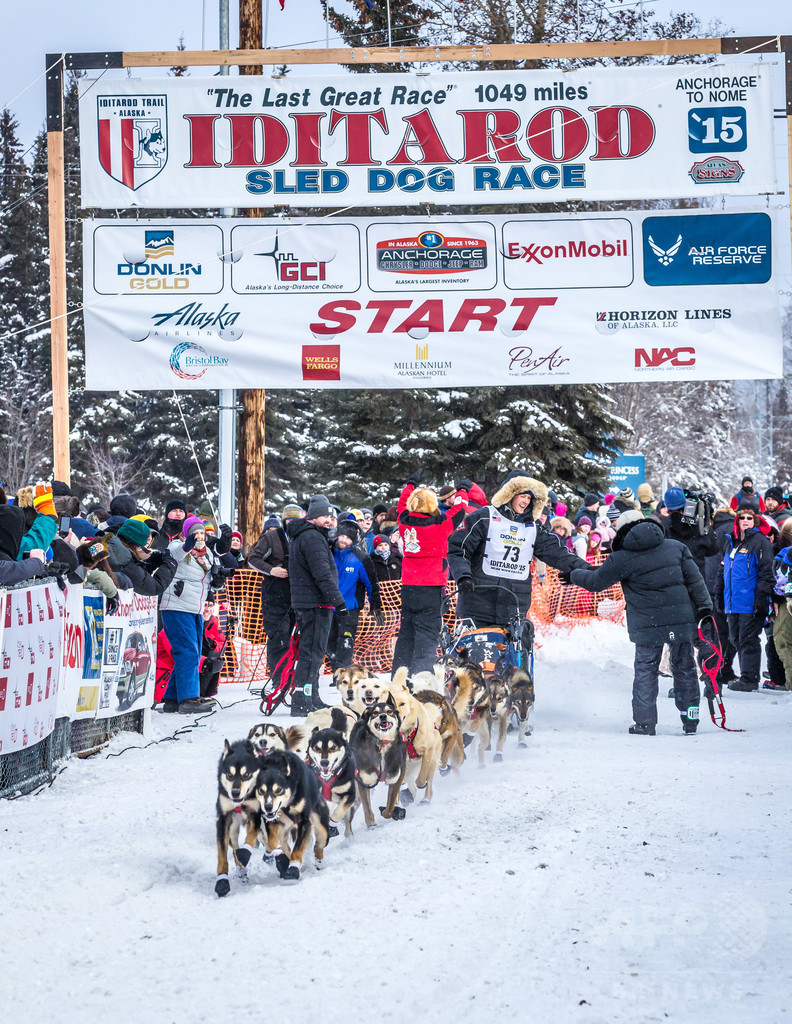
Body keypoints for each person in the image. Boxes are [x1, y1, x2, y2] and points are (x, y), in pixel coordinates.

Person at [567, 509, 711, 735]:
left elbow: (596, 581)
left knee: (646, 669)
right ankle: (690, 718)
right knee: (685, 667)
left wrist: (573, 575)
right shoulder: (676, 547)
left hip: (647, 622)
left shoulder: (622, 557)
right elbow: (696, 581)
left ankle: (645, 724)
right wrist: (704, 610)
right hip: (680, 619)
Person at [449, 471, 588, 634]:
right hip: (477, 603)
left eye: (530, 498)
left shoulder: (534, 527)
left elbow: (556, 552)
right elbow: (458, 548)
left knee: (516, 656)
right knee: (476, 658)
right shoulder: (484, 517)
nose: (526, 502)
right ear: (510, 494)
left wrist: (585, 568)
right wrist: (463, 576)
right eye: (523, 496)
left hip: (514, 606)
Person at [392, 470, 469, 676]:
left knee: (406, 634)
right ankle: (421, 679)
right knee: (426, 636)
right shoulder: (440, 525)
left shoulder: (404, 520)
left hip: (408, 586)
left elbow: (401, 504)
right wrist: (462, 490)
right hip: (431, 586)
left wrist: (410, 483)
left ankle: (399, 677)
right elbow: (460, 509)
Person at [285, 494, 347, 716]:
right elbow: (322, 574)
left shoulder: (310, 536)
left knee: (314, 654)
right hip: (315, 603)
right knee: (312, 654)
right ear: (313, 517)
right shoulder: (312, 538)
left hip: (312, 602)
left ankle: (311, 696)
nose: (329, 521)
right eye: (324, 516)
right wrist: (338, 601)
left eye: (330, 517)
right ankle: (301, 699)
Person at [159, 516, 222, 713]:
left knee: (191, 652)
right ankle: (189, 698)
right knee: (187, 651)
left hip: (194, 607)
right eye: (195, 532)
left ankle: (172, 698)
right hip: (176, 605)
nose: (200, 536)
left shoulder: (207, 553)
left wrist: (220, 577)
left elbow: (210, 580)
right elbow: (176, 553)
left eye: (202, 532)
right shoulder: (177, 546)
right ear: (187, 533)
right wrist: (187, 545)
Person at [717, 504, 775, 692]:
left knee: (748, 639)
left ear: (756, 520)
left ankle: (749, 679)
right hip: (733, 600)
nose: (746, 522)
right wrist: (718, 592)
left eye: (750, 518)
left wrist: (761, 597)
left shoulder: (760, 542)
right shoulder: (730, 541)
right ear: (737, 520)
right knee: (735, 639)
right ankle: (746, 676)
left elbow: (767, 573)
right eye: (742, 518)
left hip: (750, 600)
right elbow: (723, 569)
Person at [248, 505, 300, 687]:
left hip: (298, 596)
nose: (292, 523)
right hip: (275, 596)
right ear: (284, 521)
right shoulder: (272, 537)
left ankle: (294, 678)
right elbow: (253, 559)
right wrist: (272, 570)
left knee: (297, 640)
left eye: (296, 520)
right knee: (279, 639)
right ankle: (279, 680)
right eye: (289, 520)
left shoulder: (303, 537)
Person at [328, 521, 380, 670]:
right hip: (328, 607)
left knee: (345, 642)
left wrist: (375, 605)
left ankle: (343, 672)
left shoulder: (361, 558)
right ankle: (335, 670)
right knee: (329, 642)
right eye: (342, 536)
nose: (344, 540)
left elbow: (371, 583)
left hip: (350, 607)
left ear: (353, 541)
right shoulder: (328, 552)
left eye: (348, 538)